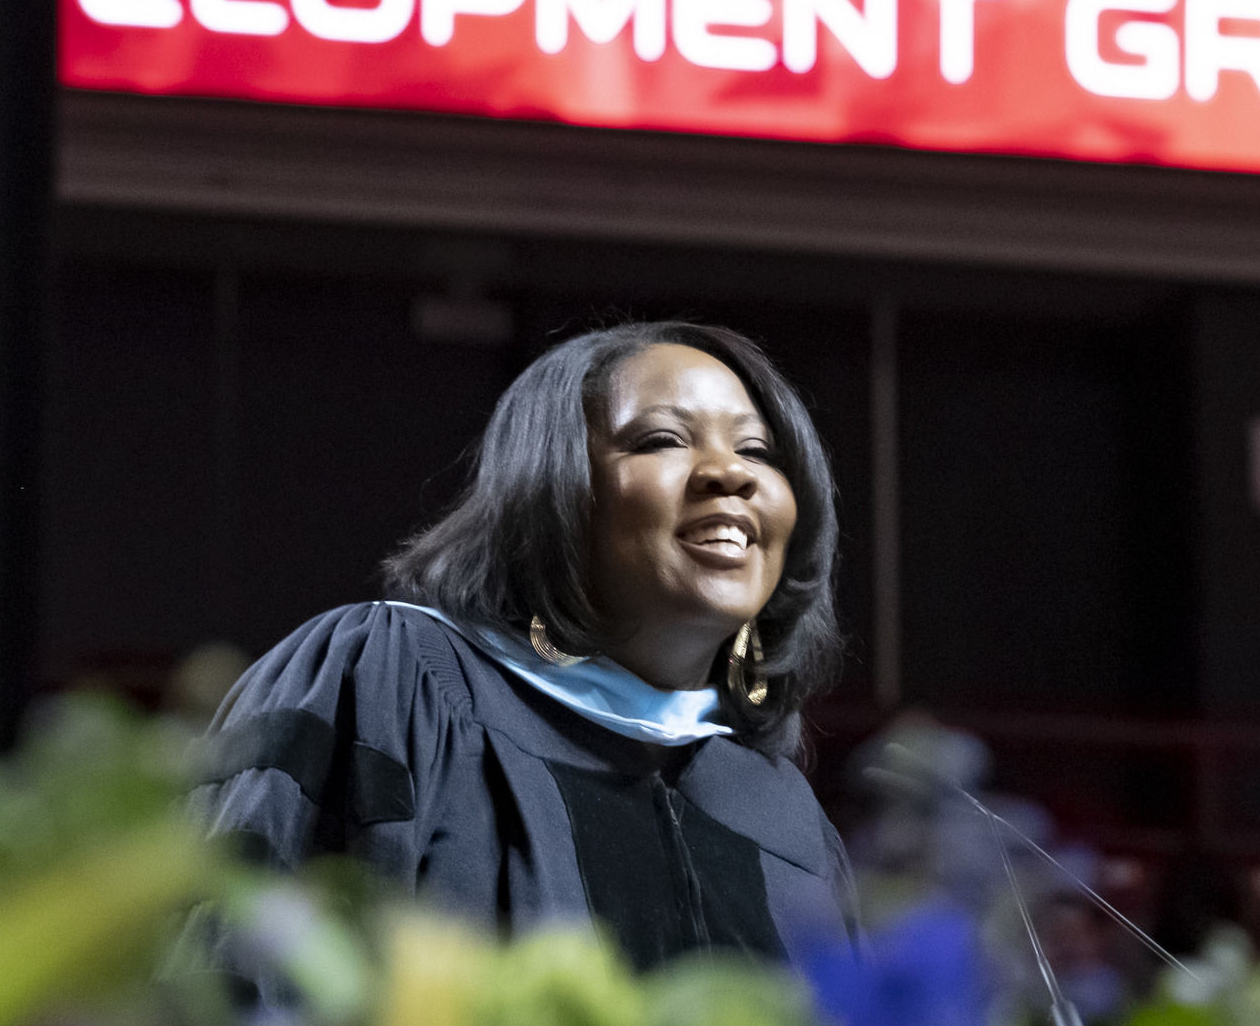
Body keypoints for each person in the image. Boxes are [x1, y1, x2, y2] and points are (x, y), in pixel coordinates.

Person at [195, 322, 855, 967]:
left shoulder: (786, 818)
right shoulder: (392, 683)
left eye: (758, 452)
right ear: (558, 487)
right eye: (661, 439)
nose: (728, 473)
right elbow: (241, 996)